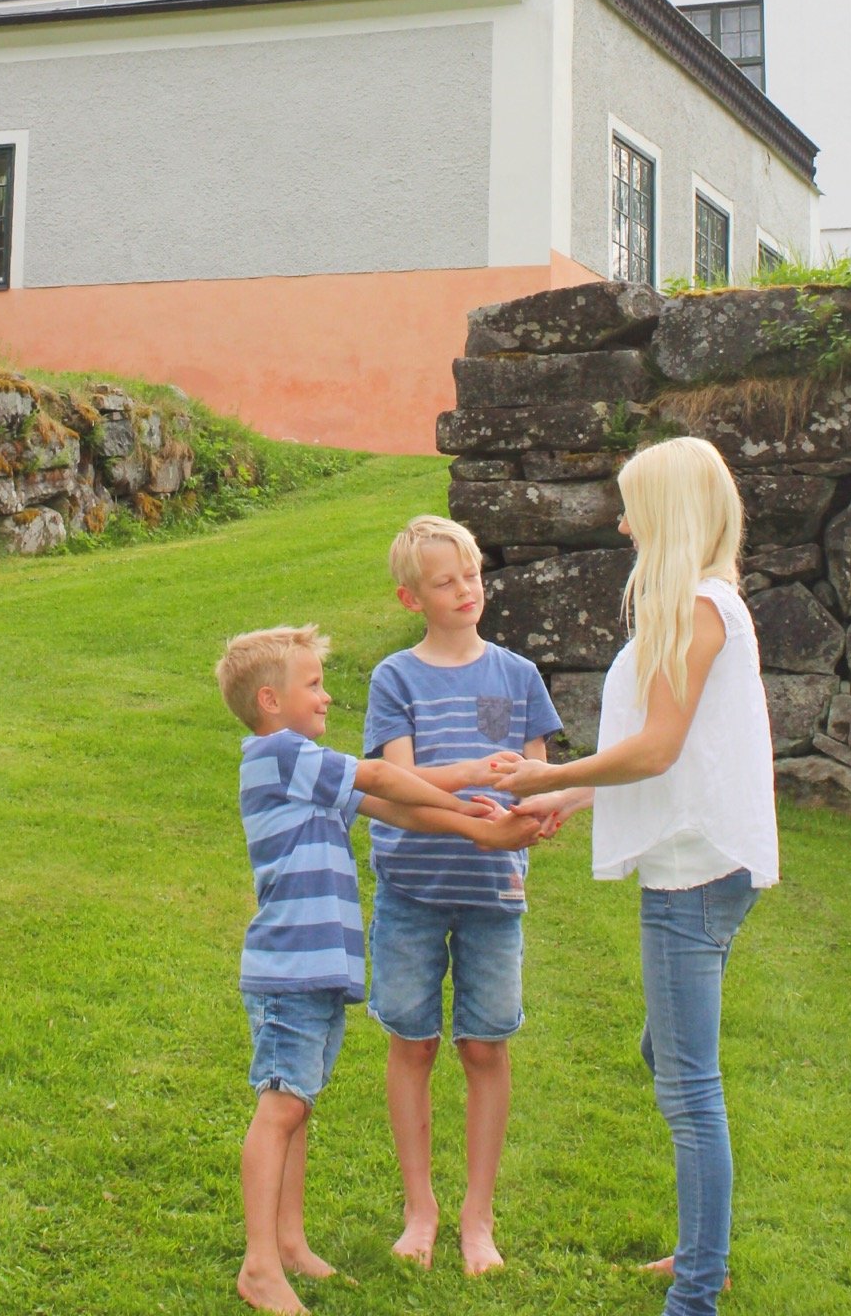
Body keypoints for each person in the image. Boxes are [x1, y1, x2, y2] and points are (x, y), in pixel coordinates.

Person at [496, 436, 778, 1316]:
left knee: (689, 1089)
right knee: (671, 1057)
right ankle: (704, 1252)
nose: (622, 525)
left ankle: (696, 1291)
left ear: (669, 515)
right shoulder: (707, 604)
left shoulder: (699, 608)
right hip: (703, 861)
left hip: (691, 878)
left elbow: (655, 751)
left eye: (632, 509)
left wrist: (539, 777)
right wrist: (568, 798)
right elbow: (673, 755)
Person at [215, 621, 530, 1316]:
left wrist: (480, 822)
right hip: (289, 969)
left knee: (296, 1104)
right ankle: (259, 1265)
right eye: (314, 684)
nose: (327, 696)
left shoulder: (304, 767)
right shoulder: (280, 753)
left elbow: (392, 806)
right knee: (281, 1107)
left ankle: (289, 1244)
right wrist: (469, 789)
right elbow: (386, 775)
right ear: (270, 701)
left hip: (313, 970)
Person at [363, 515, 563, 1275]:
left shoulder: (518, 676)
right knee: (412, 1043)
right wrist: (475, 781)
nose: (465, 590)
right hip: (411, 890)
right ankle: (421, 1209)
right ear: (410, 598)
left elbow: (537, 779)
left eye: (472, 575)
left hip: (493, 895)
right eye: (445, 582)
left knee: (484, 1046)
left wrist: (537, 814)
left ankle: (478, 1217)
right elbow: (396, 784)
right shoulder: (394, 678)